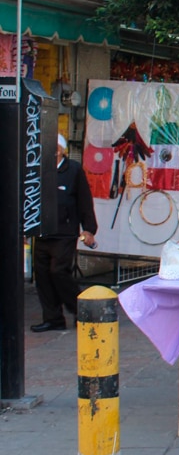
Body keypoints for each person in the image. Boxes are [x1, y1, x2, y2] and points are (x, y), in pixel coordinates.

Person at [31, 134, 99, 332]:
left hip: (65, 231)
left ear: (62, 149)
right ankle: (53, 318)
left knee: (58, 271)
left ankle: (81, 310)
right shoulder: (38, 169)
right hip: (42, 231)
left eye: (56, 147)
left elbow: (85, 201)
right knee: (42, 275)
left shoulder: (74, 170)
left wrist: (89, 229)